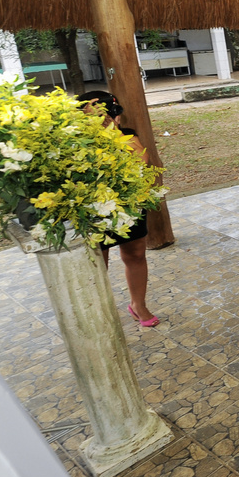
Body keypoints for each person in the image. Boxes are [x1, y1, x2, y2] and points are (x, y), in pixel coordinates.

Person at [79, 91, 159, 327]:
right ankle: (100, 312)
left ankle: (138, 304)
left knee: (135, 253)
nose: (117, 117)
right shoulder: (75, 140)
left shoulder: (126, 135)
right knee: (98, 262)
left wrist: (111, 130)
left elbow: (142, 160)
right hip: (94, 207)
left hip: (128, 204)